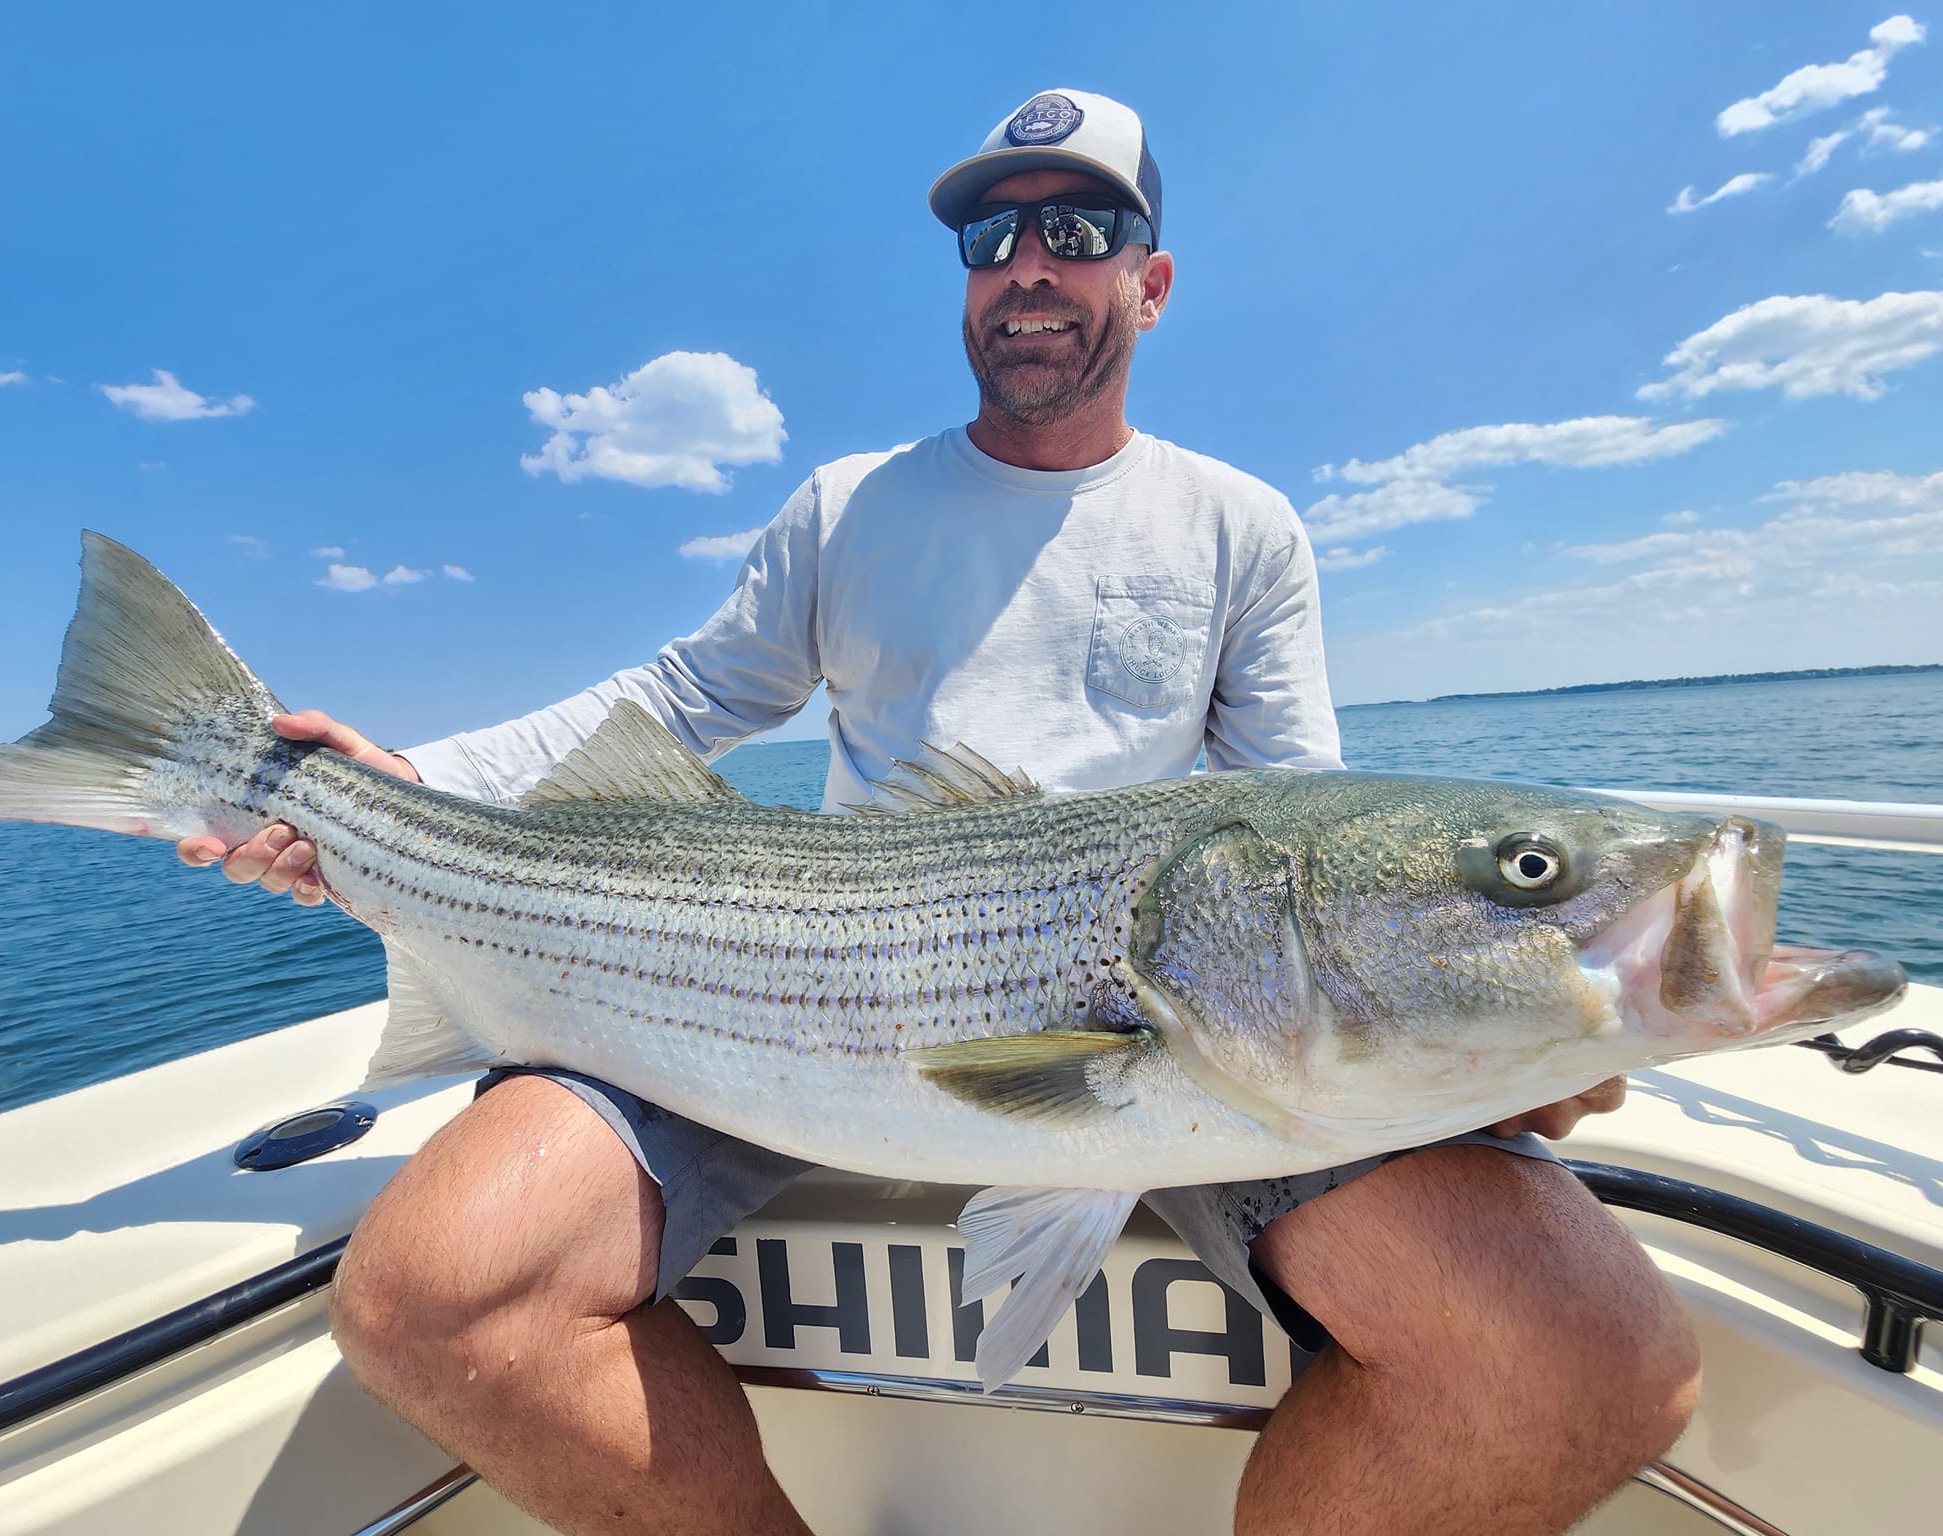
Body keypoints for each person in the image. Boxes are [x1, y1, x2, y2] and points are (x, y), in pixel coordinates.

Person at [181, 90, 1698, 1536]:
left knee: (1589, 1361)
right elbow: (678, 700)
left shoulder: (1242, 523)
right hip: (782, 995)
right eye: (993, 240)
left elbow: (1302, 817)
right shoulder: (851, 505)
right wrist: (413, 790)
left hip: (1173, 1026)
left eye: (1080, 232)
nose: (1029, 268)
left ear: (1151, 282)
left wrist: (1474, 1028)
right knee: (428, 1300)